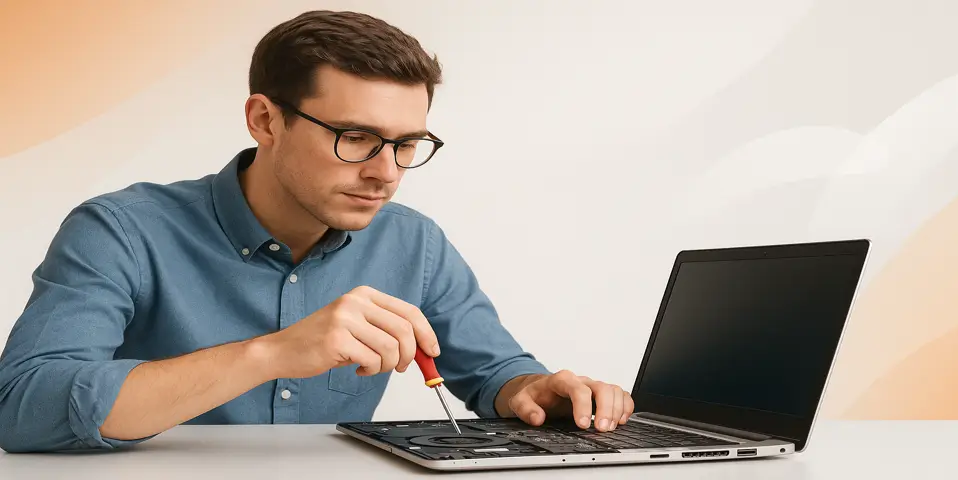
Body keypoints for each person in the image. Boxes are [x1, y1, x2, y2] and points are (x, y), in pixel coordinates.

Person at [0, 10, 633, 453]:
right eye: (355, 137)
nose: (386, 173)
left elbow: (495, 375)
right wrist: (273, 353)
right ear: (265, 120)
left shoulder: (413, 242)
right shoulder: (121, 230)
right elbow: (22, 407)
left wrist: (537, 390)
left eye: (407, 144)